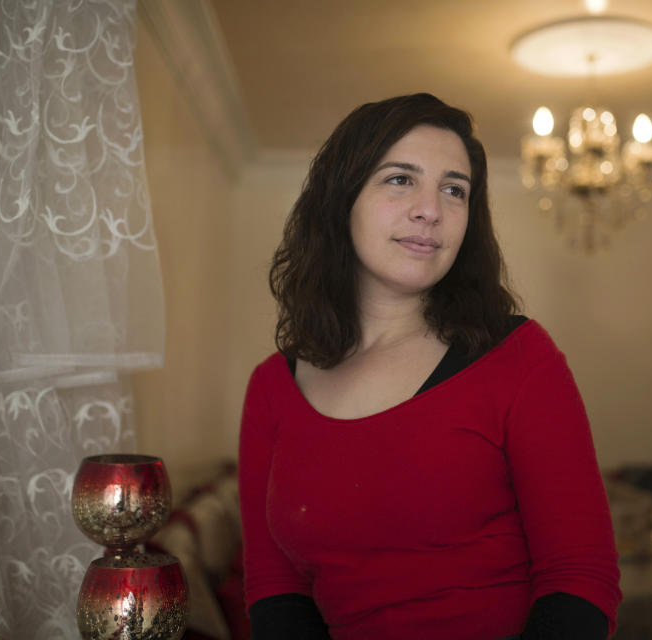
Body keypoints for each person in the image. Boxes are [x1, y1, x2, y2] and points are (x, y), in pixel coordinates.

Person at [238, 93, 621, 640]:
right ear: (340, 198)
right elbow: (277, 589)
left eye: (454, 190)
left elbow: (580, 578)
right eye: (400, 179)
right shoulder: (272, 388)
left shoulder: (521, 358)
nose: (431, 209)